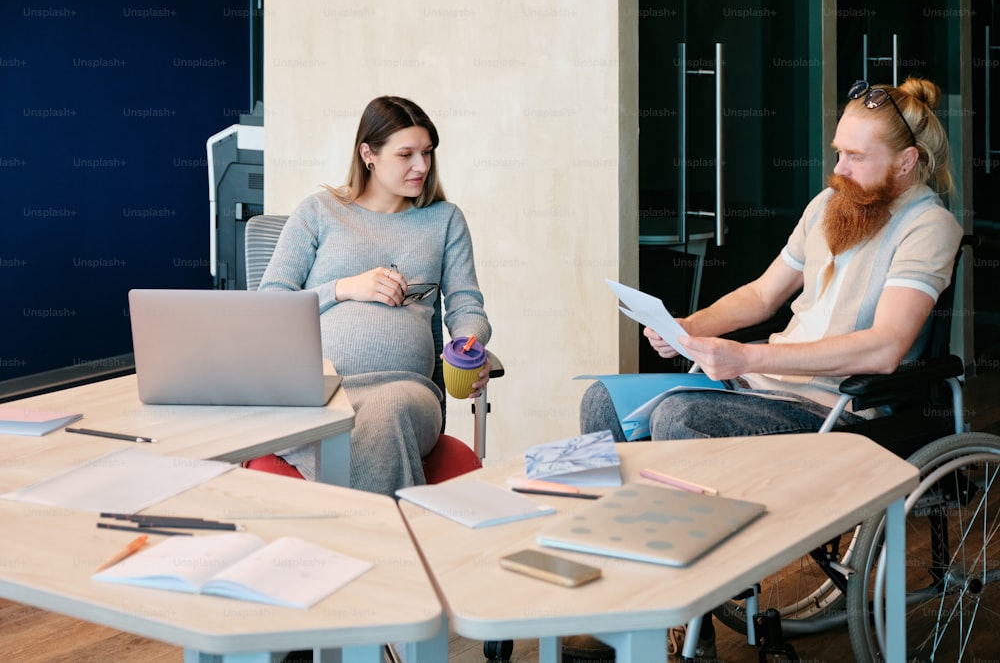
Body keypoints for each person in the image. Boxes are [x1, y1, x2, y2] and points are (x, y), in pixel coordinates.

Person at [569, 77, 963, 662]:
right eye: (837, 151)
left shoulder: (928, 228)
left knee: (684, 417)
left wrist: (749, 356)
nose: (840, 167)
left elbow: (884, 349)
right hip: (762, 389)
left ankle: (684, 629)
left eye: (856, 157)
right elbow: (759, 297)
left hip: (838, 409)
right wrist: (689, 327)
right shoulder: (830, 205)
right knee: (601, 402)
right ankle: (625, 596)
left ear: (907, 163)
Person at [258, 95, 492, 497]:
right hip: (318, 388)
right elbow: (269, 306)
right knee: (342, 429)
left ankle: (357, 534)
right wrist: (344, 288)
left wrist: (469, 345)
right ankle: (379, 534)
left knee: (389, 411)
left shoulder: (444, 220)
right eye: (406, 154)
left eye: (427, 153)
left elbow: (467, 306)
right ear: (369, 154)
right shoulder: (318, 212)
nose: (421, 166)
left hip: (405, 391)